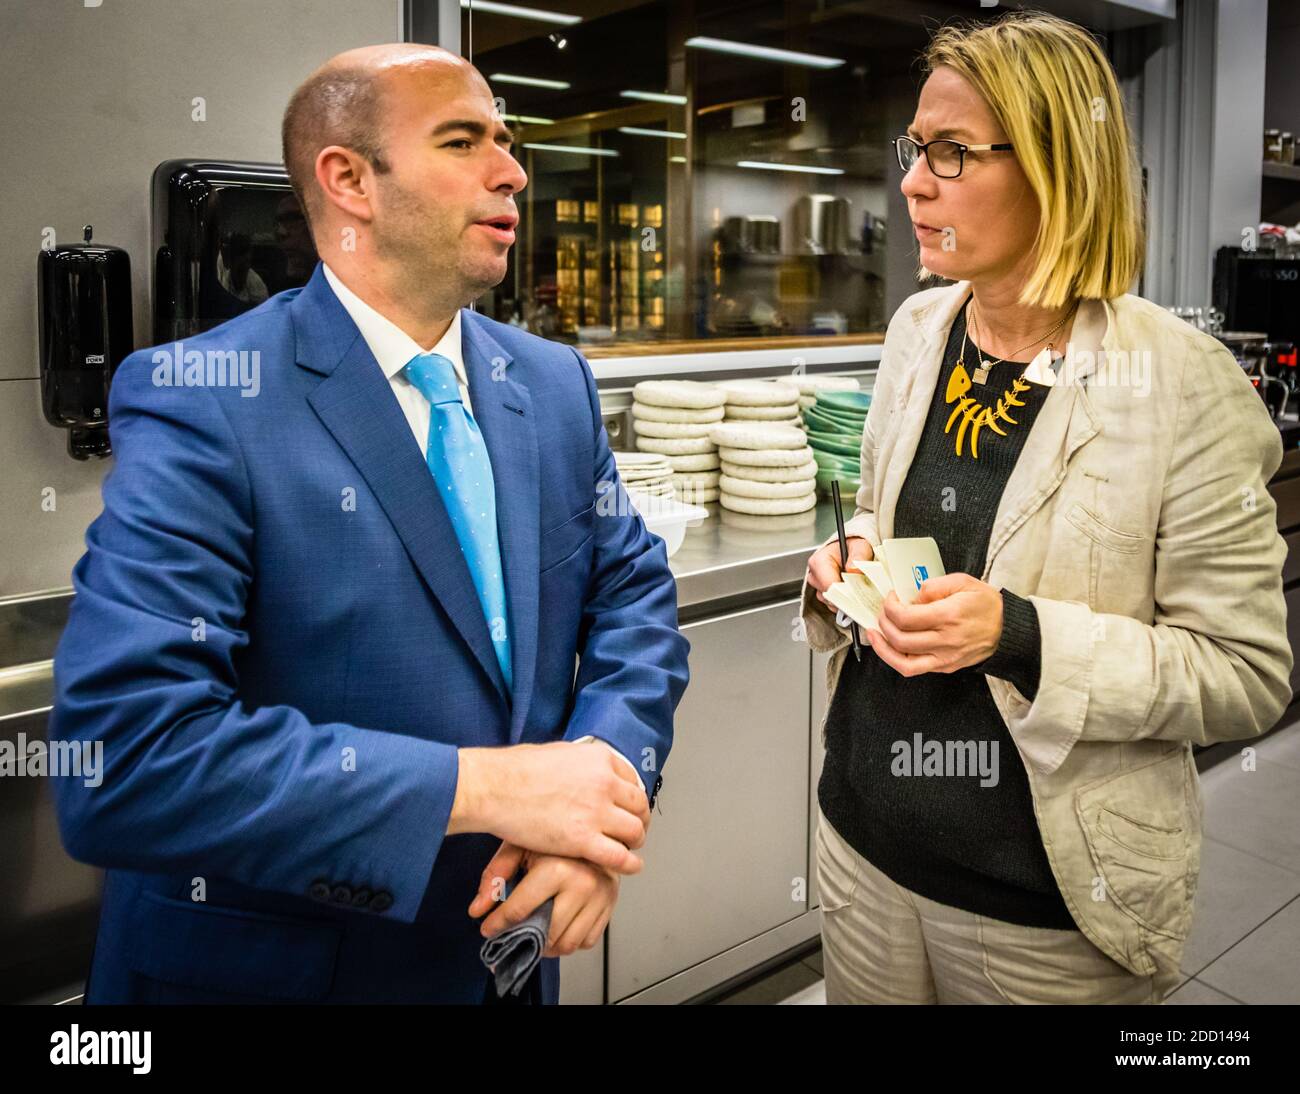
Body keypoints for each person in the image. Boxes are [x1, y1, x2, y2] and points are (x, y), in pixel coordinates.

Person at [49, 43, 689, 1005]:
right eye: (464, 140)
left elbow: (633, 596)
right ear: (348, 180)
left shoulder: (551, 386)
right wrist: (484, 788)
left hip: (504, 964)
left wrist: (598, 792)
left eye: (507, 143)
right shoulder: (205, 401)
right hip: (289, 974)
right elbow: (126, 758)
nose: (513, 170)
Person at [803, 11, 1291, 1004]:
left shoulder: (1181, 380)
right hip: (861, 843)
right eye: (913, 149)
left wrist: (1017, 633)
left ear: (1057, 170)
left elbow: (1244, 674)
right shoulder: (916, 329)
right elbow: (896, 531)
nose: (910, 181)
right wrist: (848, 563)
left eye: (950, 152)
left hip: (1042, 906)